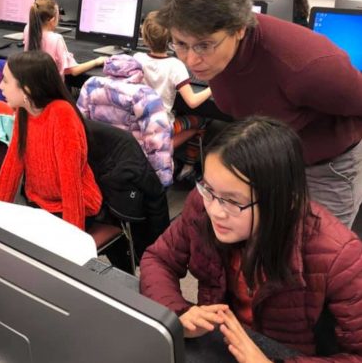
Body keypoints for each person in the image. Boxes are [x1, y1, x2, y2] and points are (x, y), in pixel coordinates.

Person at [157, 0, 362, 229]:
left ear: (240, 27)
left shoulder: (308, 66)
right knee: (269, 245)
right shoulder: (216, 57)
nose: (190, 61)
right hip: (272, 159)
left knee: (318, 258)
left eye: (204, 46)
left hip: (325, 167)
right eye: (181, 44)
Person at [140, 116, 362, 361]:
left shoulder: (340, 255)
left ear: (284, 201)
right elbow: (158, 258)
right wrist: (177, 313)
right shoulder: (201, 205)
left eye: (233, 201)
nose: (215, 210)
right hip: (219, 344)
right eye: (208, 189)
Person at [0, 50, 102, 231]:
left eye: (5, 80)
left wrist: (72, 238)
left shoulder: (62, 115)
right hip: (39, 203)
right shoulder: (24, 111)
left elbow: (71, 184)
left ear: (26, 89)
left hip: (73, 207)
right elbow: (12, 165)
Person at [134, 11, 212, 180]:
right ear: (173, 39)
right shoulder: (175, 65)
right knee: (202, 121)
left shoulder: (137, 58)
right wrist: (212, 87)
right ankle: (188, 166)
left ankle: (162, 149)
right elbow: (192, 102)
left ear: (144, 36)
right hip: (163, 126)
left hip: (139, 122)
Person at [24, 0, 106, 78]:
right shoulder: (56, 39)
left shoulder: (28, 29)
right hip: (52, 89)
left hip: (32, 86)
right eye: (58, 15)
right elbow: (73, 70)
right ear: (52, 20)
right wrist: (97, 61)